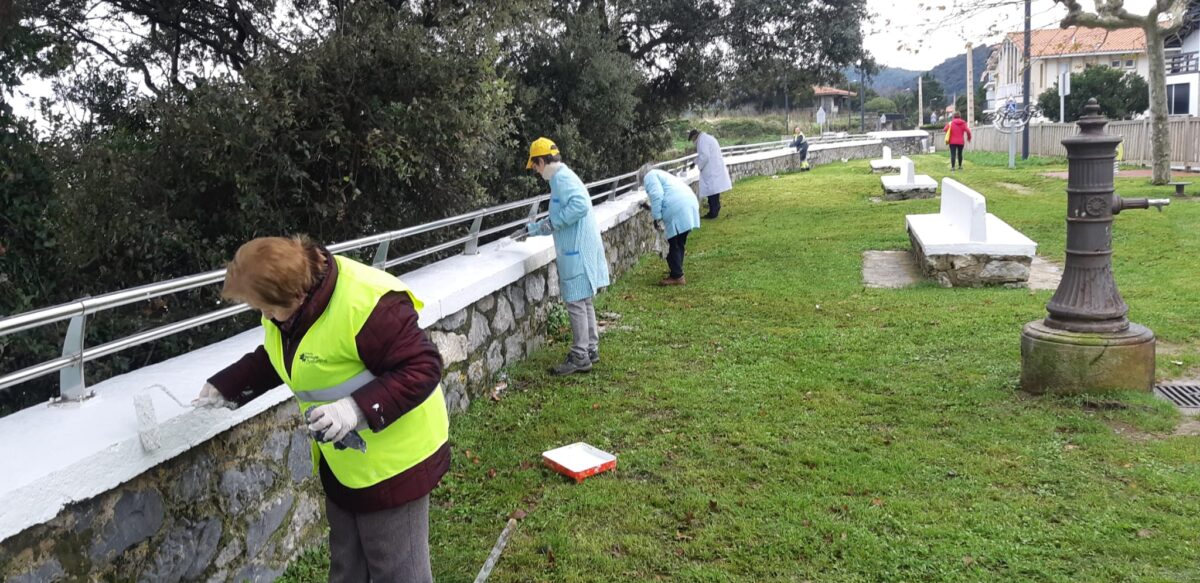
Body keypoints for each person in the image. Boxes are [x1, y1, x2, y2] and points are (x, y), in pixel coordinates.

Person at [194, 236, 449, 583]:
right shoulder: (291, 310)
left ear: (295, 295)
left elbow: (423, 367)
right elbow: (284, 357)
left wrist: (354, 410)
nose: (263, 315)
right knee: (347, 567)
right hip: (346, 462)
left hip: (395, 464)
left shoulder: (368, 305)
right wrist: (225, 386)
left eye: (266, 308)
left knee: (398, 571)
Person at [524, 137, 611, 375]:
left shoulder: (561, 179)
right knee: (584, 300)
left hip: (577, 251)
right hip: (580, 248)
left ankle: (580, 356)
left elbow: (580, 205)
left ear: (541, 161)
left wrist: (553, 223)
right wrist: (536, 228)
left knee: (575, 303)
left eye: (535, 166)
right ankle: (590, 348)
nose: (535, 171)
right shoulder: (564, 177)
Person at [638, 164, 701, 286]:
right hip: (688, 204)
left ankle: (677, 276)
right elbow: (667, 196)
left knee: (670, 244)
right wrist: (650, 208)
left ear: (642, 177)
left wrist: (657, 218)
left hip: (677, 209)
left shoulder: (649, 176)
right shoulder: (662, 174)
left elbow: (657, 196)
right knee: (679, 242)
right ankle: (677, 272)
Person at [688, 129, 732, 219]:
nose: (693, 142)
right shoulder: (706, 138)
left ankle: (713, 212)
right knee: (714, 191)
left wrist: (699, 166)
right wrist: (694, 162)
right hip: (714, 168)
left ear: (694, 136)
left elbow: (705, 156)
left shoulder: (702, 141)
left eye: (692, 140)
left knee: (711, 191)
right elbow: (703, 155)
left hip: (711, 170)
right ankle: (715, 209)